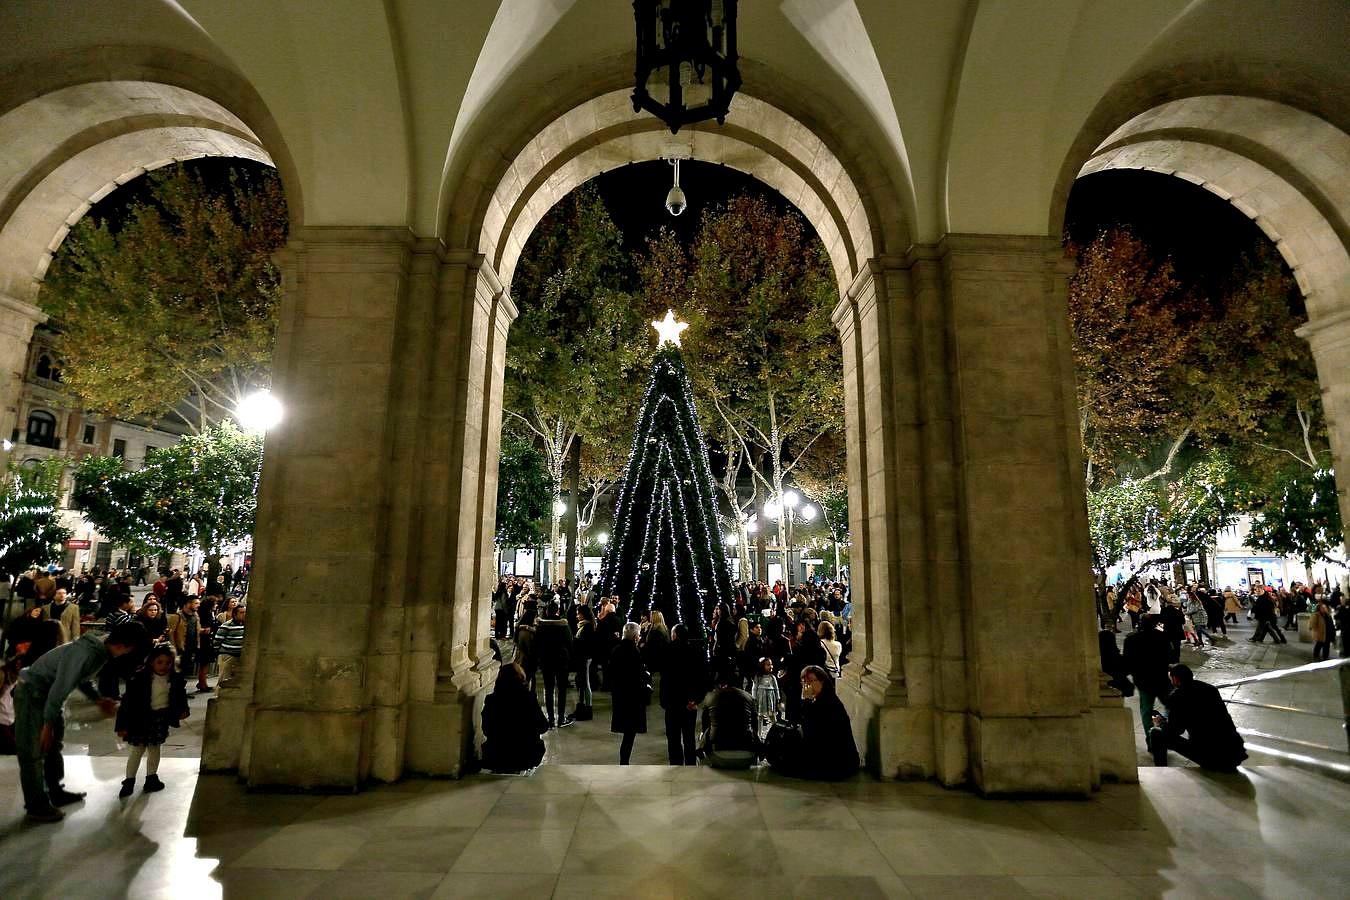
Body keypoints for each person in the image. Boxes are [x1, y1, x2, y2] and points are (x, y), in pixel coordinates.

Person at [13, 622, 146, 823]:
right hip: (33, 693)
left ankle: (55, 792)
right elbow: (61, 687)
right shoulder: (86, 652)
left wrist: (98, 699)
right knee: (33, 750)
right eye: (131, 650)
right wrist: (47, 725)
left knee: (53, 746)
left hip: (48, 695)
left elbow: (81, 679)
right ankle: (36, 805)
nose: (128, 655)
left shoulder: (101, 650)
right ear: (123, 645)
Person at [115, 646, 190, 797]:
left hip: (160, 719)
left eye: (168, 662)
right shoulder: (139, 678)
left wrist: (183, 710)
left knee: (155, 749)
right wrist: (121, 725)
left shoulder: (175, 679)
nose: (164, 666)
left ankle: (151, 778)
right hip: (140, 719)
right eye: (160, 662)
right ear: (151, 662)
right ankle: (129, 780)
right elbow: (127, 703)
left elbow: (180, 697)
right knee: (137, 750)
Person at [1149, 663, 1246, 771]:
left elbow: (1174, 732)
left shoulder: (1178, 697)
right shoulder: (1210, 689)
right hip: (1235, 754)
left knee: (1156, 733)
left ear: (1175, 679)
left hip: (1211, 758)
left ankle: (1160, 772)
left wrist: (1161, 722)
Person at [768, 666, 859, 780]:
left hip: (837, 761)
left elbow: (811, 730)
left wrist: (806, 702)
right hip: (826, 752)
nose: (807, 685)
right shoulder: (818, 700)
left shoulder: (828, 702)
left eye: (811, 681)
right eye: (804, 681)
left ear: (822, 681)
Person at [480, 662, 548, 774]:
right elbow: (543, 726)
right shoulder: (528, 699)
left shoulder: (492, 700)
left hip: (497, 757)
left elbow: (486, 729)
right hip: (525, 757)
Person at [659, 624, 708, 766]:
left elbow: (665, 678)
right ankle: (691, 765)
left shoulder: (667, 651)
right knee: (689, 737)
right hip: (690, 703)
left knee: (673, 738)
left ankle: (676, 765)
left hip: (672, 702)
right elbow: (703, 678)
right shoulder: (697, 652)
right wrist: (696, 699)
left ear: (674, 635)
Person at [698, 660, 758, 769]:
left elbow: (705, 724)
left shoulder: (711, 697)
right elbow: (755, 726)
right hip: (747, 755)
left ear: (722, 684)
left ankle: (700, 752)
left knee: (706, 730)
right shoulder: (749, 697)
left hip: (717, 754)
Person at [1123, 614, 1172, 739]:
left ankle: (1151, 740)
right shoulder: (1163, 637)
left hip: (1142, 680)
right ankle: (1166, 730)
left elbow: (1127, 662)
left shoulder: (1131, 640)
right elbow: (1170, 656)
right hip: (1161, 678)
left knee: (1146, 710)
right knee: (1171, 705)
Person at [609, 621, 650, 764]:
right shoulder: (634, 652)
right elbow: (638, 677)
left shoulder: (616, 650)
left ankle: (624, 761)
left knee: (628, 732)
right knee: (630, 732)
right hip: (633, 698)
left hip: (620, 696)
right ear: (635, 637)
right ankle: (624, 762)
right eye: (638, 635)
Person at [534, 601, 574, 728]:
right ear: (557, 611)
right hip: (561, 661)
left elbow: (537, 643)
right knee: (562, 690)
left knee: (548, 689)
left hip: (547, 661)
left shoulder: (541, 626)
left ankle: (550, 719)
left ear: (547, 611)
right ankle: (561, 718)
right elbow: (570, 642)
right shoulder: (563, 625)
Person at [572, 604, 596, 721]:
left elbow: (586, 644)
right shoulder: (584, 626)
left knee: (585, 684)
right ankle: (581, 706)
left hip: (585, 658)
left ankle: (587, 708)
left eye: (578, 613)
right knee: (582, 683)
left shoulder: (587, 627)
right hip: (582, 658)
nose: (577, 616)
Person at [213, 605, 247, 683]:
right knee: (224, 678)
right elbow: (217, 641)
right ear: (235, 614)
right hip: (228, 655)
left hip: (240, 656)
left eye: (245, 612)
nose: (244, 614)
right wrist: (219, 653)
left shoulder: (246, 625)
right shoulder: (227, 625)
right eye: (241, 612)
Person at [752, 656, 781, 731]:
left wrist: (778, 698)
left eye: (771, 664)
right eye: (768, 665)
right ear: (762, 666)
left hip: (770, 698)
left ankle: (776, 730)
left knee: (772, 715)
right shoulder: (758, 677)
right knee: (760, 716)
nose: (770, 666)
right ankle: (759, 733)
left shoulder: (772, 677)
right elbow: (755, 688)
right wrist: (754, 698)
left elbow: (776, 688)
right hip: (761, 698)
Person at [1310, 596, 1336, 662]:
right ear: (1319, 608)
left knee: (1327, 645)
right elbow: (1313, 624)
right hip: (1320, 633)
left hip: (1327, 632)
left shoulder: (1327, 615)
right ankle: (1316, 655)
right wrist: (1315, 630)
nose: (1324, 609)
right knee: (1319, 644)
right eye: (1323, 608)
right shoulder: (1316, 615)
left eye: (1325, 608)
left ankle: (1325, 657)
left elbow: (1331, 623)